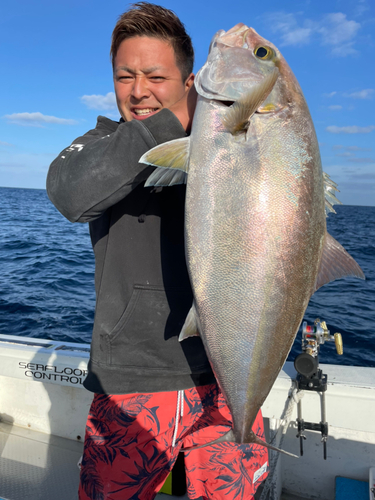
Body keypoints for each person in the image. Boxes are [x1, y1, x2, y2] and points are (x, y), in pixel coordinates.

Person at [47, 3, 268, 499]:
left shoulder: (238, 145)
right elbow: (70, 193)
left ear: (191, 81)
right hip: (134, 380)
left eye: (155, 75)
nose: (139, 90)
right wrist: (172, 123)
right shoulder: (101, 143)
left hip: (230, 372)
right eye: (125, 76)